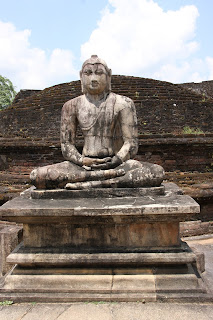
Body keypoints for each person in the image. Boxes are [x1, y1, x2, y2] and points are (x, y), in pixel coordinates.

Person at [30, 55, 164, 189]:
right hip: (83, 166)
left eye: (99, 73)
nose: (93, 78)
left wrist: (115, 160)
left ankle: (95, 183)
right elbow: (66, 145)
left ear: (108, 75)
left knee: (156, 172)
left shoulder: (124, 103)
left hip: (117, 164)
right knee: (37, 176)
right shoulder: (71, 106)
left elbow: (131, 144)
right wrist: (83, 160)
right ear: (81, 76)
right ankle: (102, 180)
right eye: (88, 73)